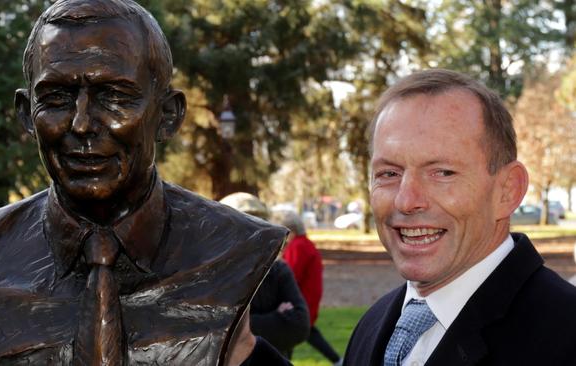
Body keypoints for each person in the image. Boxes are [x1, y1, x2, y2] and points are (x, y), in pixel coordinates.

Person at [0, 1, 286, 364]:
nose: (82, 124)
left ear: (167, 115)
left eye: (116, 97)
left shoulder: (237, 247)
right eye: (56, 98)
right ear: (26, 114)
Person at [343, 69, 576, 366]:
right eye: (389, 173)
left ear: (507, 190)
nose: (406, 200)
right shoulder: (374, 325)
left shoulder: (566, 338)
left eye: (443, 172)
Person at [220, 193, 310, 359]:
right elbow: (213, 333)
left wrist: (238, 327)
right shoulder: (213, 277)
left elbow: (299, 326)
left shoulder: (277, 271)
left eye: (257, 225)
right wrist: (277, 317)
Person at [275, 210, 342, 365]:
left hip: (302, 297)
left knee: (293, 331)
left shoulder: (298, 246)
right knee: (301, 332)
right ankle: (337, 360)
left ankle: (337, 360)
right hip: (308, 295)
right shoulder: (305, 243)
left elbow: (290, 275)